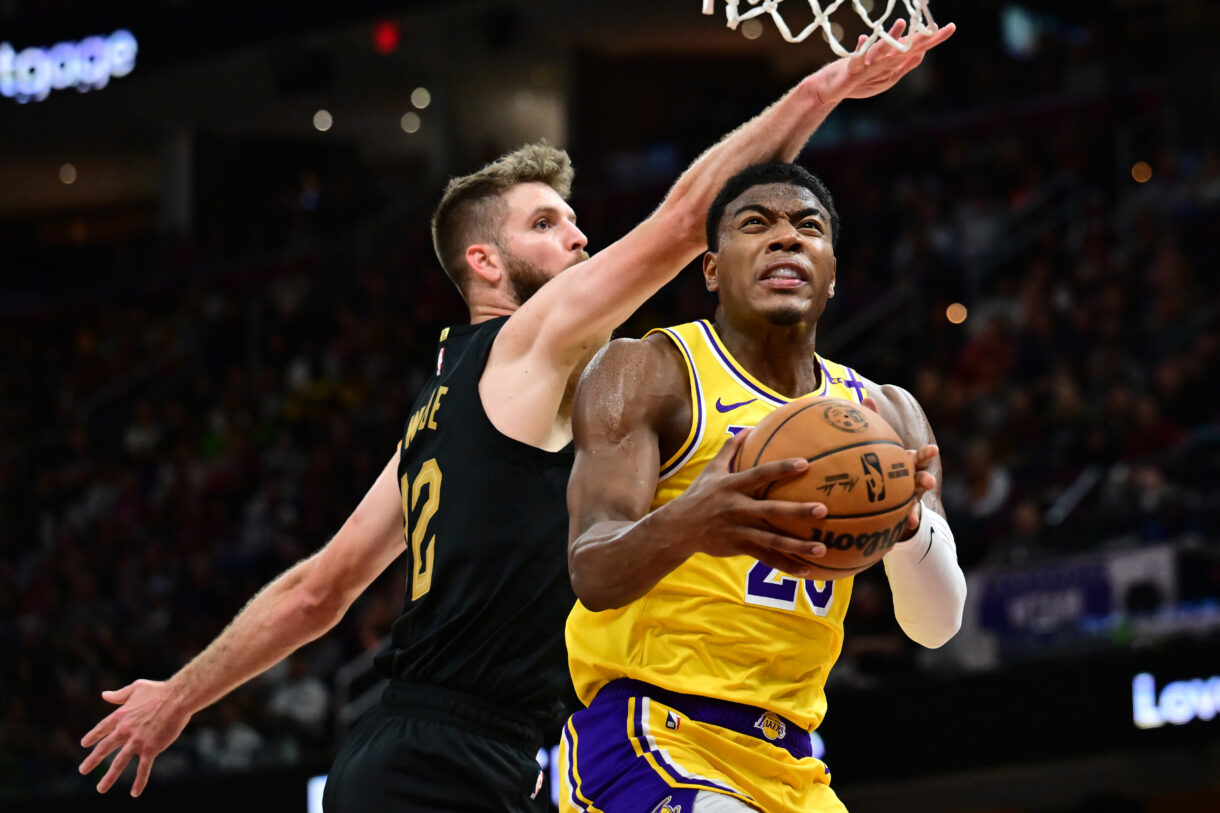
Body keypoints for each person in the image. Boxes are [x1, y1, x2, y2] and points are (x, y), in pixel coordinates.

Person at [78, 22, 955, 811]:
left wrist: (180, 694)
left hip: (465, 749)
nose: (578, 238)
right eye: (546, 224)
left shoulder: (438, 413)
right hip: (448, 754)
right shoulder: (526, 344)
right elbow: (690, 220)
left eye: (573, 221)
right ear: (485, 262)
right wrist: (826, 87)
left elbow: (319, 590)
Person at [561, 161, 968, 813]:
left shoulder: (886, 415)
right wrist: (690, 522)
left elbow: (938, 626)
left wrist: (909, 526)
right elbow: (591, 570)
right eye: (756, 224)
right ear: (712, 269)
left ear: (831, 272)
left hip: (793, 761)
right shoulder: (650, 371)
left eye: (809, 226)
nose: (786, 236)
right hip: (649, 734)